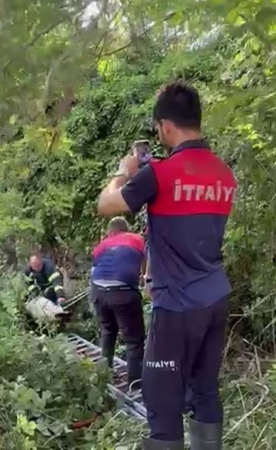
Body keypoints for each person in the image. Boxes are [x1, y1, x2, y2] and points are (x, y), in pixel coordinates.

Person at [96, 82, 236, 450]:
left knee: (162, 400)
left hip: (176, 306)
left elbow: (106, 205)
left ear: (167, 126)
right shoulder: (225, 174)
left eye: (158, 128)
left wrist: (123, 170)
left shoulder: (158, 174)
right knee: (205, 390)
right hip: (215, 299)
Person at [90, 216, 146, 391]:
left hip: (98, 292)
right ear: (126, 229)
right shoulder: (137, 240)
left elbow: (94, 270)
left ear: (110, 232)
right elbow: (145, 266)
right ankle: (135, 385)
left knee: (108, 331)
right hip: (123, 293)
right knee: (134, 341)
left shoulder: (101, 246)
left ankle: (104, 375)